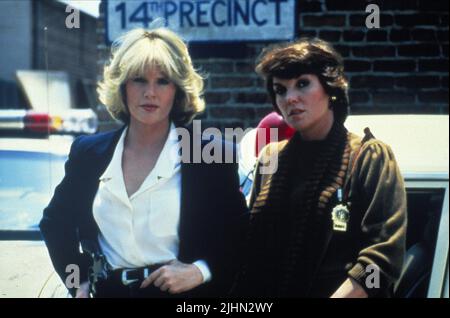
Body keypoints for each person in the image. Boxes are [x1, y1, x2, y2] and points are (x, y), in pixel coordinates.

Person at [40, 27, 247, 298]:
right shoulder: (88, 153)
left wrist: (200, 270)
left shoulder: (212, 156)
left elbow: (241, 238)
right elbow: (55, 222)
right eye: (139, 80)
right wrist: (77, 279)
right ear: (122, 86)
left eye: (163, 81)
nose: (150, 92)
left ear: (178, 91)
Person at [231, 38, 407, 298]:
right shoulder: (270, 158)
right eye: (280, 89)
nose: (290, 98)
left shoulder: (369, 157)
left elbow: (380, 263)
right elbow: (248, 251)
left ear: (330, 89)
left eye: (302, 84)